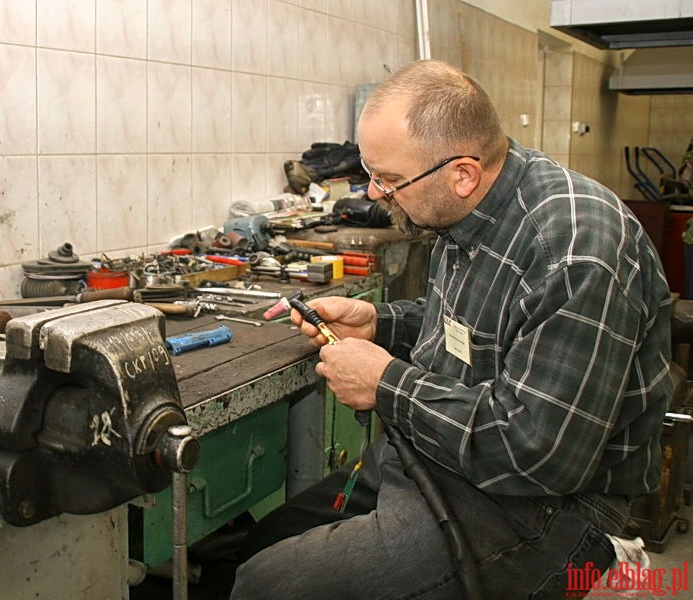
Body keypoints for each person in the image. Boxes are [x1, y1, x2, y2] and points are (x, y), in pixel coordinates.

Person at [230, 59, 673, 599]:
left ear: (462, 172)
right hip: (442, 460)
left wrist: (386, 383)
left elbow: (537, 454)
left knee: (267, 586)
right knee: (258, 544)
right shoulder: (468, 210)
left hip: (548, 508)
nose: (373, 195)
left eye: (389, 180)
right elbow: (483, 330)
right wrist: (382, 324)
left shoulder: (574, 248)